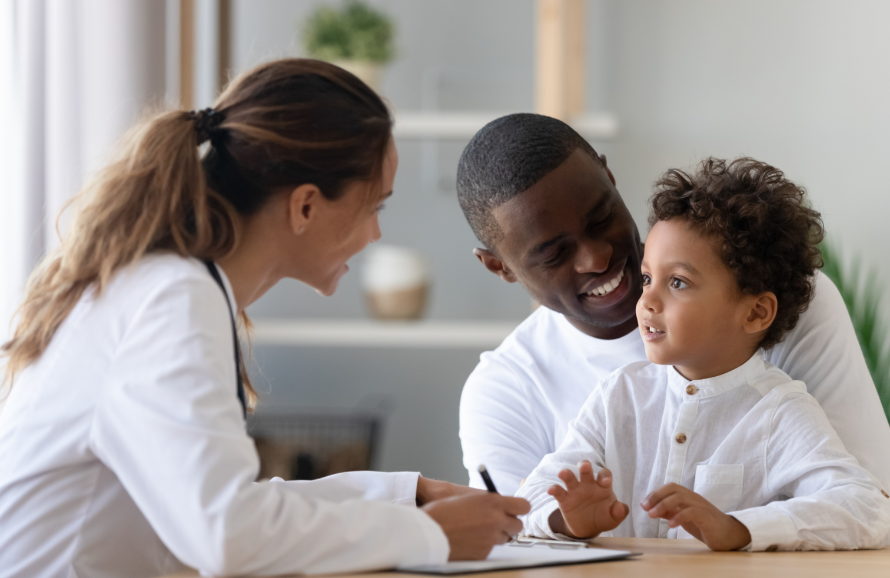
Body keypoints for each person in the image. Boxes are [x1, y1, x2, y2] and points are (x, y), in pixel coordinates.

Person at [0, 59, 529, 578]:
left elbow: (224, 502)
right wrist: (431, 537)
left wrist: (404, 497)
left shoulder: (167, 285)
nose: (375, 236)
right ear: (304, 207)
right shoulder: (172, 299)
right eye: (375, 207)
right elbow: (227, 536)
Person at [456, 113, 890, 497]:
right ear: (500, 267)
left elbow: (870, 504)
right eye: (555, 255)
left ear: (610, 179)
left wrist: (734, 531)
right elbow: (518, 543)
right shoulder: (506, 391)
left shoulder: (781, 294)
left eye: (601, 218)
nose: (597, 258)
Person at [515, 157, 890, 551]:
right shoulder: (619, 396)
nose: (647, 301)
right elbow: (529, 500)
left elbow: (869, 509)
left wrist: (737, 528)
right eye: (647, 278)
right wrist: (567, 519)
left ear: (755, 312)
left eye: (678, 282)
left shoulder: (780, 411)